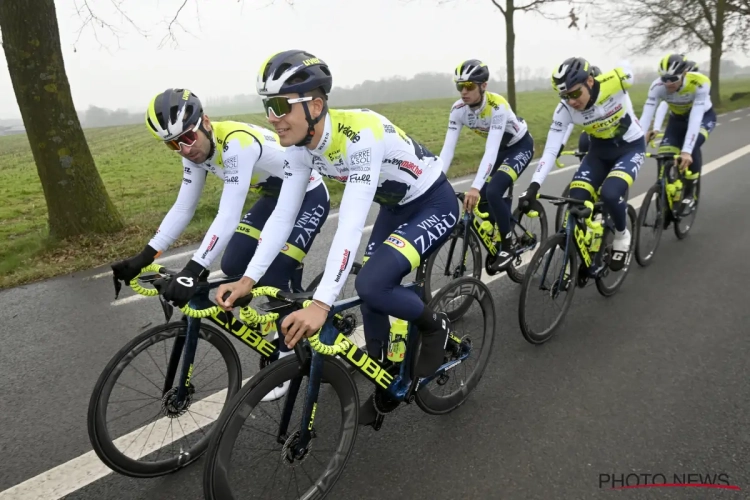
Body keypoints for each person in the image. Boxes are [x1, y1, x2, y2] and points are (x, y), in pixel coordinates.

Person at [216, 50, 458, 417]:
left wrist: (321, 303)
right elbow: (282, 217)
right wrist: (248, 279)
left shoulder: (361, 135)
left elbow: (349, 224)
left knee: (373, 284)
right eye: (268, 106)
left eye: (281, 105)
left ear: (315, 105)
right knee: (370, 286)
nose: (272, 118)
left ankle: (434, 326)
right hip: (394, 207)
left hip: (433, 202)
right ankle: (384, 372)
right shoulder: (299, 148)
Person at [110, 89, 330, 399]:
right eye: (173, 144)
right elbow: (183, 208)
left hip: (308, 195)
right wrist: (143, 256)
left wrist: (193, 269)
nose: (184, 149)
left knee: (273, 274)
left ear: (206, 123)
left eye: (187, 138)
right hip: (274, 196)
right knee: (233, 263)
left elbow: (228, 215)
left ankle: (286, 358)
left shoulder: (236, 143)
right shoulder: (196, 153)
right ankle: (275, 320)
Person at [520, 57, 645, 271]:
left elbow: (626, 67)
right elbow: (550, 149)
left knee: (611, 193)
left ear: (589, 81)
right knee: (575, 199)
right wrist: (533, 186)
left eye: (575, 93)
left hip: (630, 148)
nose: (571, 101)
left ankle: (622, 236)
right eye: (565, 96)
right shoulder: (565, 110)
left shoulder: (615, 83)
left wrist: (626, 69)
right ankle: (589, 247)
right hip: (598, 152)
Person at [438, 59, 534, 272]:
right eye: (459, 86)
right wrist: (436, 179)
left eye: (470, 86)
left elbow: (490, 150)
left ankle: (507, 246)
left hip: (519, 147)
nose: (464, 91)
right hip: (500, 152)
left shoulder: (497, 105)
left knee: (493, 190)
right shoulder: (458, 109)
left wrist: (474, 186)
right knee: (482, 202)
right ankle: (500, 228)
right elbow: (447, 150)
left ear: (483, 86)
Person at [639, 55, 712, 214]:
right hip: (677, 119)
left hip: (702, 117)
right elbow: (647, 114)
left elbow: (695, 117)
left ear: (684, 73)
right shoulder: (657, 86)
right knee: (664, 154)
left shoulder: (700, 83)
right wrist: (640, 137)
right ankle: (664, 190)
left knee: (692, 147)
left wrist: (686, 151)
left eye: (673, 78)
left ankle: (690, 191)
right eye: (664, 79)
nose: (668, 83)